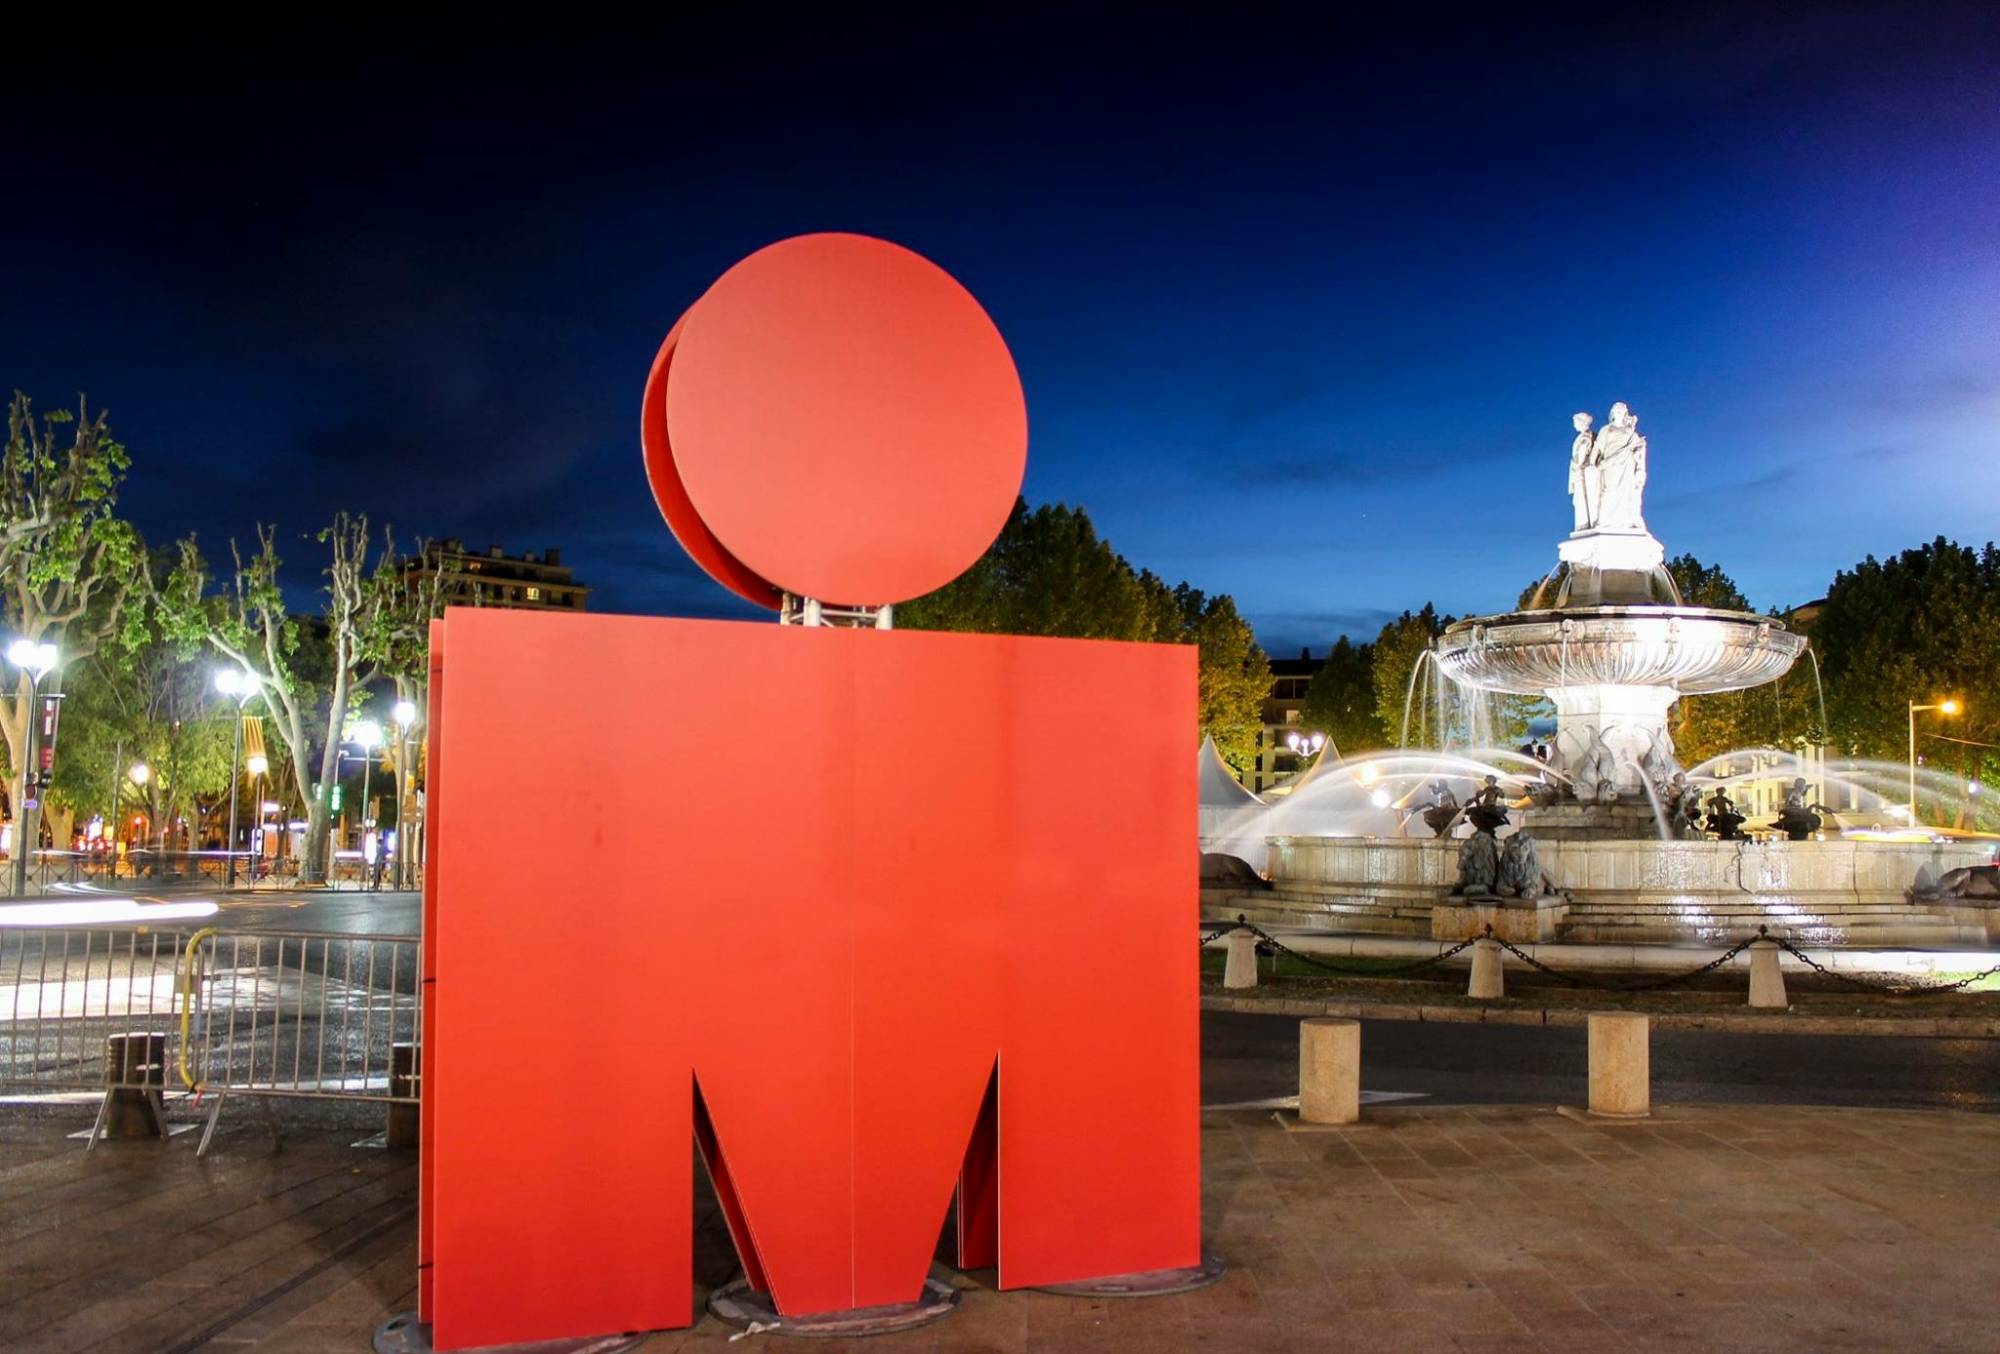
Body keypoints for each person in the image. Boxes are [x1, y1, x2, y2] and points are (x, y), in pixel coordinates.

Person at [1567, 411, 1598, 531]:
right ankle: (1584, 525)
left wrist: (1578, 464)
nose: (1574, 424)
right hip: (1582, 471)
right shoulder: (1589, 435)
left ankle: (1584, 525)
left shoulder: (1586, 436)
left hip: (1582, 472)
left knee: (1582, 499)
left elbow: (1582, 452)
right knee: (1582, 499)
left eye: (1575, 422)